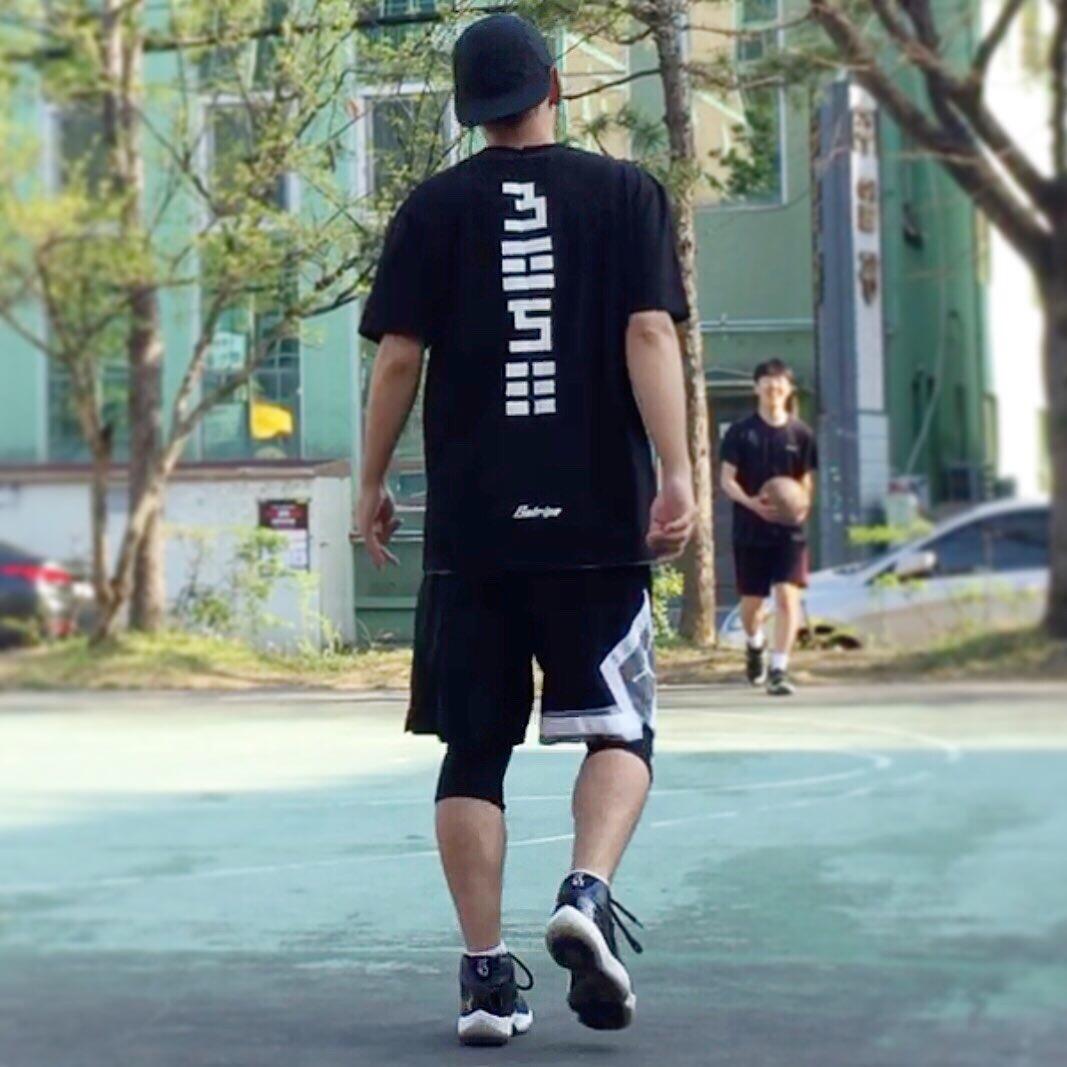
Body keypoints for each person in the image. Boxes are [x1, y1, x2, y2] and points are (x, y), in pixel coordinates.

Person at [355, 12, 696, 1047]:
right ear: (553, 84)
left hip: (474, 528)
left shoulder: (433, 207)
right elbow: (648, 330)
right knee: (620, 729)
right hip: (594, 519)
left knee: (473, 748)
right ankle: (585, 890)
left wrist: (369, 480)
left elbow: (398, 357)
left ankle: (482, 979)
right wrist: (676, 469)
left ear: (469, 108)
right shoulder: (625, 193)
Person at [719, 359, 818, 696]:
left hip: (789, 531)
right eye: (767, 381)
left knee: (788, 597)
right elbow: (727, 480)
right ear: (757, 387)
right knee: (752, 604)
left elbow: (805, 480)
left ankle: (779, 668)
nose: (774, 387)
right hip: (751, 528)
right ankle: (755, 643)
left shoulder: (801, 434)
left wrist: (801, 505)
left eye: (780, 382)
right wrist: (751, 503)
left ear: (789, 389)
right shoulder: (741, 432)